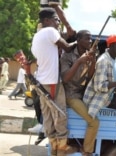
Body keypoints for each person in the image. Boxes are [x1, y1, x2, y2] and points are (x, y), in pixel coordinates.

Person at [31, 8, 76, 156]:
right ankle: (61, 150)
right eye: (56, 19)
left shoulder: (37, 36)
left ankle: (54, 149)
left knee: (48, 115)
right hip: (52, 82)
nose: (58, 22)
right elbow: (68, 48)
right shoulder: (51, 32)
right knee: (60, 113)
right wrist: (78, 40)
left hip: (41, 82)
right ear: (47, 21)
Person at [60, 30, 99, 156]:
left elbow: (90, 76)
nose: (90, 41)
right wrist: (79, 62)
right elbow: (65, 79)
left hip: (83, 93)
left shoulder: (89, 54)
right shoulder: (67, 56)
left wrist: (93, 61)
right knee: (94, 122)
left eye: (91, 39)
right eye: (87, 38)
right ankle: (87, 151)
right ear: (78, 40)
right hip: (70, 94)